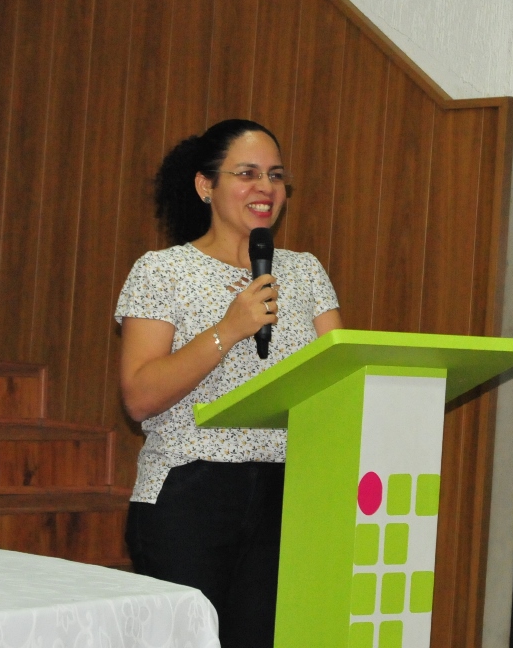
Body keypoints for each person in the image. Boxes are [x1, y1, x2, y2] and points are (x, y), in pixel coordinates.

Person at [115, 119, 342, 648]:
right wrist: (230, 329)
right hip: (190, 493)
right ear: (205, 185)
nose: (266, 187)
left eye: (276, 175)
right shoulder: (163, 271)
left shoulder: (305, 272)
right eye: (247, 173)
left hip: (287, 495)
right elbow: (139, 396)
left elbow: (338, 378)